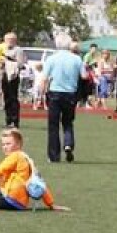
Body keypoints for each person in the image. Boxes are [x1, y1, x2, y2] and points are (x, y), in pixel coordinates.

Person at [37, 33, 85, 164]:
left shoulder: (51, 59)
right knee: (68, 122)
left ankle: (54, 156)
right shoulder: (77, 59)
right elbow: (84, 76)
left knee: (53, 125)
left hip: (55, 93)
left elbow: (44, 78)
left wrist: (40, 94)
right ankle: (68, 144)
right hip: (70, 94)